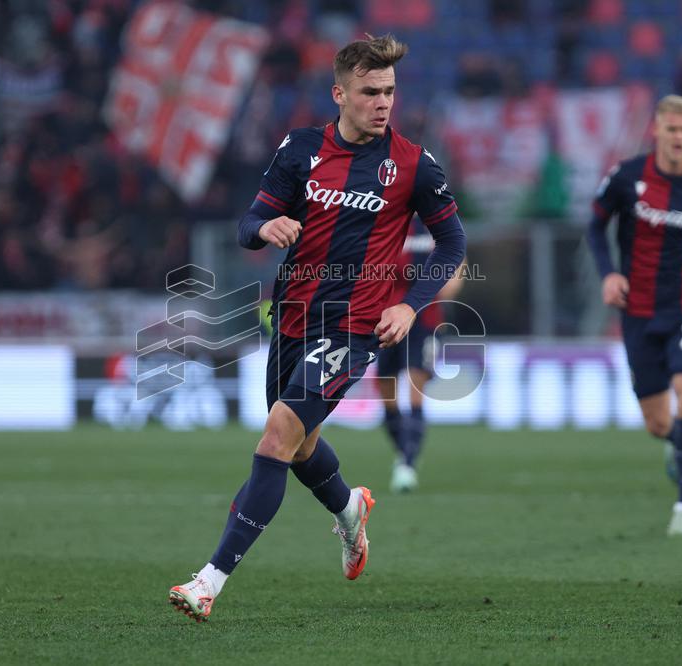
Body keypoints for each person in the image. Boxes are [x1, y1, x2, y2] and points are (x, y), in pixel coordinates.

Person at [168, 34, 466, 622]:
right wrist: (266, 228)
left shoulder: (412, 164)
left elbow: (453, 242)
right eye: (369, 92)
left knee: (277, 436)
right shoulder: (300, 150)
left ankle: (208, 582)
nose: (382, 103)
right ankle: (349, 507)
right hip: (292, 318)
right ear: (340, 94)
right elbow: (248, 222)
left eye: (389, 92)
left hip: (354, 328)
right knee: (300, 447)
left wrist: (409, 304)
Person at [586, 94, 682, 537]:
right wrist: (608, 273)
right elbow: (596, 225)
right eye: (671, 129)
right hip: (637, 311)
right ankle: (679, 446)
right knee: (658, 424)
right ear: (656, 129)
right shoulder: (627, 176)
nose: (678, 137)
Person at [376, 221, 464, 493]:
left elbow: (457, 260)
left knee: (416, 387)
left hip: (426, 319)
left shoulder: (435, 223)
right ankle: (404, 452)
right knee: (386, 391)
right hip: (388, 318)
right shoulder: (389, 219)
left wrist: (449, 281)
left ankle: (408, 464)